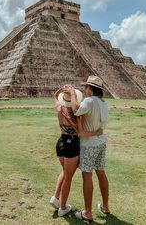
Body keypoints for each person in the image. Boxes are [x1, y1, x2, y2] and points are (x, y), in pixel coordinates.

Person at [50, 86, 102, 217]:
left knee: (65, 171)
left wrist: (58, 93)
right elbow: (81, 132)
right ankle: (63, 207)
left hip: (61, 142)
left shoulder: (59, 108)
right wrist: (97, 132)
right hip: (72, 144)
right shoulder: (77, 115)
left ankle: (55, 198)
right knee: (68, 177)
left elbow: (55, 97)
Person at [64, 76, 110, 222]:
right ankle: (105, 206)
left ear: (90, 89)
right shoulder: (103, 103)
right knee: (101, 173)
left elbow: (76, 110)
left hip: (89, 144)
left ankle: (88, 212)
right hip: (100, 142)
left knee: (87, 176)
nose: (84, 90)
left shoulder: (89, 101)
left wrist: (72, 94)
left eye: (86, 87)